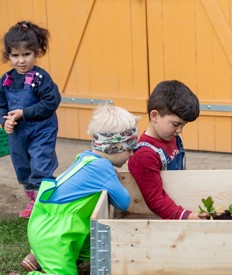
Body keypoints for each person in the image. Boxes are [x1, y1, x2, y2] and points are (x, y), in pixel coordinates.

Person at [19, 104, 138, 274]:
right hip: (54, 235)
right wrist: (114, 180)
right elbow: (124, 202)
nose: (132, 154)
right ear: (113, 146)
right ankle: (42, 259)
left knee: (99, 242)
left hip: (48, 223)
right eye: (129, 149)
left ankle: (37, 256)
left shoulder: (86, 158)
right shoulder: (102, 169)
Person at [0, 21, 61, 218]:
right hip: (18, 133)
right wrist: (4, 121)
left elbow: (51, 101)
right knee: (23, 167)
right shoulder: (6, 80)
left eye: (26, 54)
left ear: (36, 53)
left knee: (40, 164)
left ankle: (44, 201)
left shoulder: (40, 78)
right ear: (8, 55)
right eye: (15, 55)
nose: (21, 61)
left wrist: (24, 113)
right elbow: (1, 105)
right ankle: (32, 198)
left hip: (41, 130)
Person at [128, 80, 206, 220]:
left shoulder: (171, 138)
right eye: (176, 124)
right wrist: (185, 216)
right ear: (155, 116)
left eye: (184, 125)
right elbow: (155, 200)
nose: (180, 130)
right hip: (161, 219)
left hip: (178, 206)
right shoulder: (145, 156)